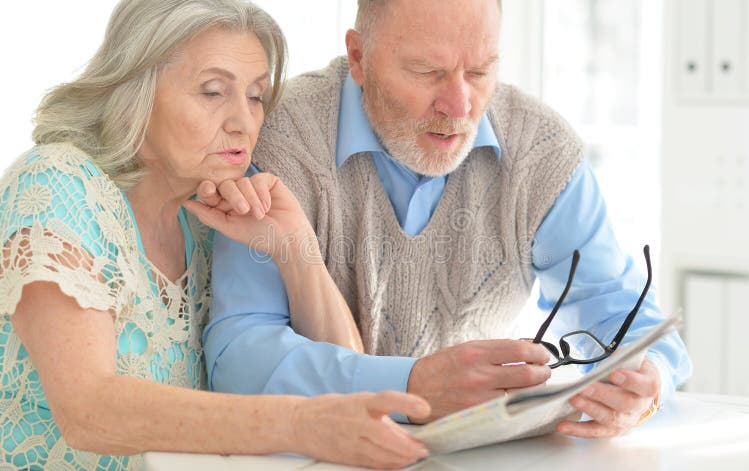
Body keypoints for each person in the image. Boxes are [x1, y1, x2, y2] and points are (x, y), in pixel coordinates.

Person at [207, 0, 693, 439]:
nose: (461, 106)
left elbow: (630, 320)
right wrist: (413, 385)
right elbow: (239, 354)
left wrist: (647, 383)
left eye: (480, 72)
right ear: (358, 58)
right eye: (427, 71)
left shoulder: (540, 153)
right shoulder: (279, 139)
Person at [0, 1, 432, 469]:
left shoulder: (211, 222)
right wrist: (296, 424)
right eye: (212, 91)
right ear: (136, 93)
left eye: (255, 96)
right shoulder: (57, 183)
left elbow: (347, 380)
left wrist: (297, 250)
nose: (243, 122)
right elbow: (88, 410)